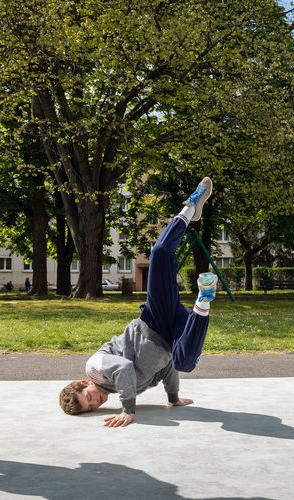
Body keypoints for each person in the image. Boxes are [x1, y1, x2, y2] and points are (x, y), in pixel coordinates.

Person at [59, 178, 217, 427]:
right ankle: (203, 298)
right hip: (170, 338)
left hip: (154, 321)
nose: (97, 402)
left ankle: (190, 207)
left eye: (90, 397)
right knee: (184, 361)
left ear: (84, 383)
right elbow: (166, 369)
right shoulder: (128, 386)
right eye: (93, 407)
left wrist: (128, 410)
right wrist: (173, 398)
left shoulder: (95, 368)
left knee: (160, 254)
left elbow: (123, 368)